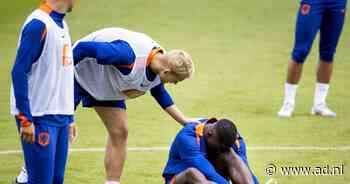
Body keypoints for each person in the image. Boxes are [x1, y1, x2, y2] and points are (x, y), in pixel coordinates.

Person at [11, 0, 77, 184]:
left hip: (60, 116)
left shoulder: (63, 25)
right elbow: (18, 71)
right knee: (41, 180)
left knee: (56, 179)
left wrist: (69, 116)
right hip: (39, 116)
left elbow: (63, 74)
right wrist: (25, 118)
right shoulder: (38, 24)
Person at [278, 0, 347, 118]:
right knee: (300, 52)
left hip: (338, 3)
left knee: (328, 53)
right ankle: (288, 103)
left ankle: (319, 104)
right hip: (314, 2)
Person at [162, 118, 255, 184]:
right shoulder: (188, 138)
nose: (221, 150)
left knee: (230, 155)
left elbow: (245, 170)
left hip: (212, 181)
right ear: (209, 134)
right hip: (181, 180)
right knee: (192, 173)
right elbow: (208, 172)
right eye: (220, 146)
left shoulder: (234, 140)